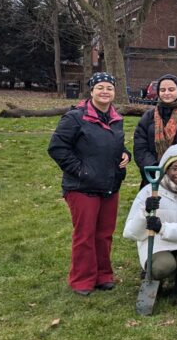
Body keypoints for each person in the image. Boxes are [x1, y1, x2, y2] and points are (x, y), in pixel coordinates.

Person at [48, 72, 131, 296]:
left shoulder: (116, 118)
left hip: (109, 184)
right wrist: (80, 170)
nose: (105, 92)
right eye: (100, 87)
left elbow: (115, 146)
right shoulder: (75, 117)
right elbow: (57, 148)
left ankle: (103, 275)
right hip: (82, 187)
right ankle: (82, 279)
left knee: (104, 234)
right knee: (85, 234)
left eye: (109, 88)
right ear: (91, 91)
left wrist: (125, 155)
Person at [123, 144, 177, 293]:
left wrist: (163, 228)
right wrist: (145, 212)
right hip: (158, 244)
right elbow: (131, 232)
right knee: (163, 266)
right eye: (175, 168)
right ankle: (158, 275)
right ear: (166, 169)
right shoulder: (149, 191)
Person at [133, 73, 177, 186]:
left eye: (171, 89)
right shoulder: (148, 117)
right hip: (153, 176)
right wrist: (156, 169)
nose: (167, 93)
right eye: (163, 90)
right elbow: (140, 146)